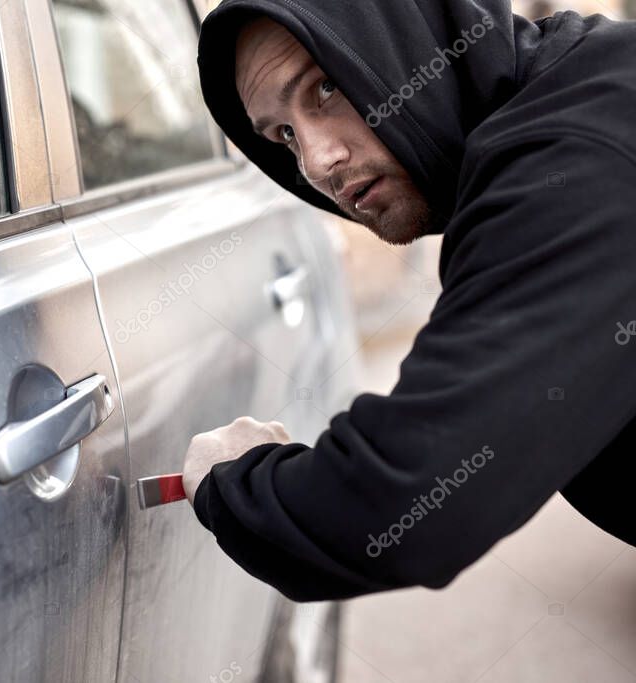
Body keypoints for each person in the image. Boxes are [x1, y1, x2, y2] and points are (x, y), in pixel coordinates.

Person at [182, 0, 636, 601]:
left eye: (325, 89)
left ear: (406, 37)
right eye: (284, 134)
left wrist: (235, 477)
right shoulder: (575, 91)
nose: (317, 163)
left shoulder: (572, 154)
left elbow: (409, 497)